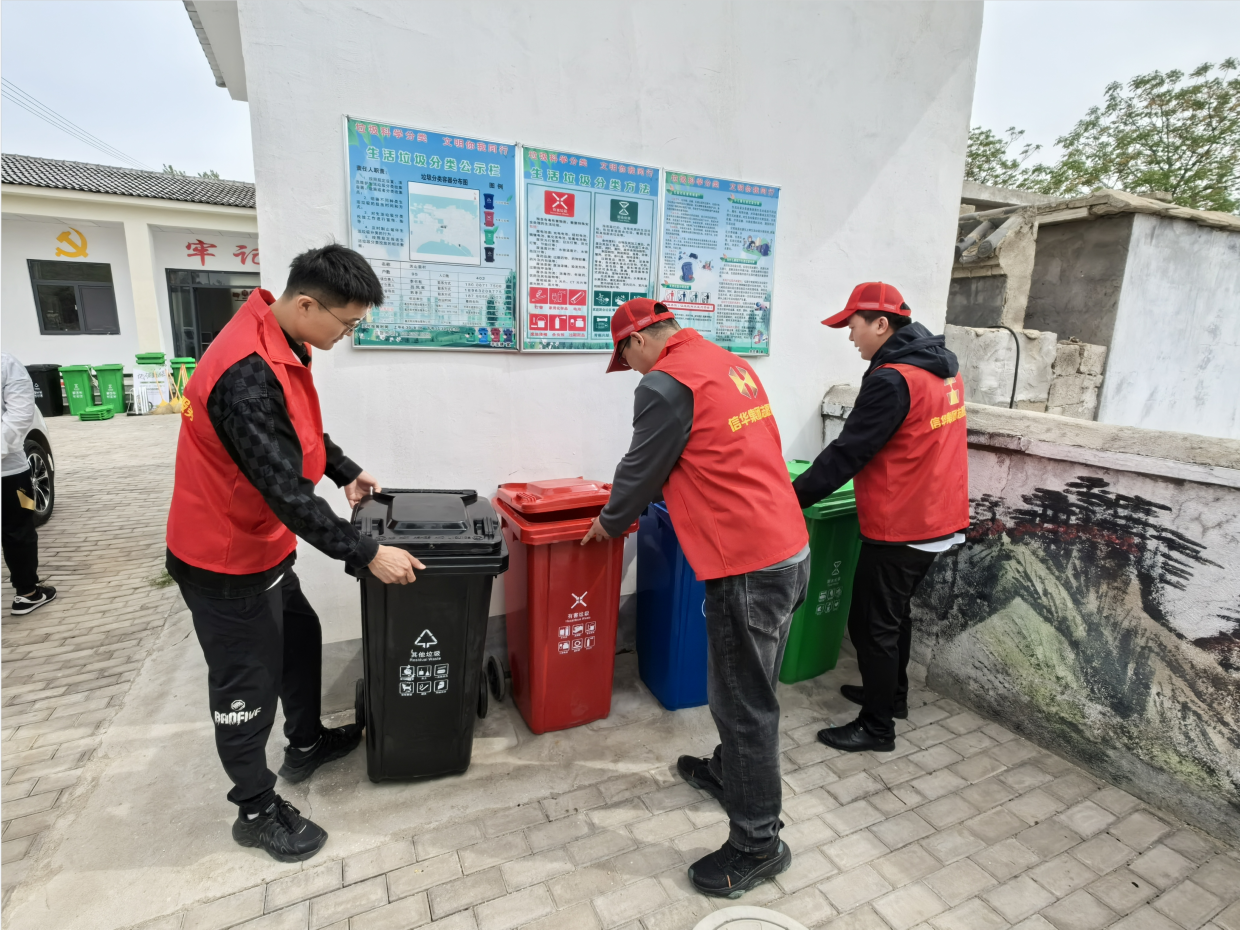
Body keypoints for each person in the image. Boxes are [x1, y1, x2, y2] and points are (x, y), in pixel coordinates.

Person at [165, 244, 424, 862]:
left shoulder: (281, 333)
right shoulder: (244, 375)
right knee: (245, 686)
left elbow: (300, 426)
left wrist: (344, 469)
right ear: (308, 303)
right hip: (224, 559)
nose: (349, 333)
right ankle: (254, 808)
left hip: (264, 545)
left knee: (299, 642)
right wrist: (365, 553)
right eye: (347, 323)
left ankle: (305, 743)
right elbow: (283, 490)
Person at [581, 298, 809, 898]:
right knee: (752, 689)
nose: (630, 369)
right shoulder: (727, 362)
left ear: (639, 341)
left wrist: (609, 522)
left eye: (624, 357)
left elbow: (642, 467)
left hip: (748, 565)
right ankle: (729, 772)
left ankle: (758, 843)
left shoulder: (665, 382)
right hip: (788, 547)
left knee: (743, 703)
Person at [792, 282, 969, 753]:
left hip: (904, 523)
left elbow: (849, 453)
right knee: (892, 616)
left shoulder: (893, 378)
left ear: (880, 324)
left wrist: (791, 499)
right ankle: (891, 698)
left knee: (872, 623)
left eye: (852, 326)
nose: (850, 337)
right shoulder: (941, 368)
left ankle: (876, 728)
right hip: (939, 513)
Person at [2, 353, 56, 615]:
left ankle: (28, 592)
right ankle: (27, 593)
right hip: (9, 473)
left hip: (10, 473)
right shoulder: (6, 365)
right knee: (19, 529)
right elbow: (20, 416)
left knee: (19, 527)